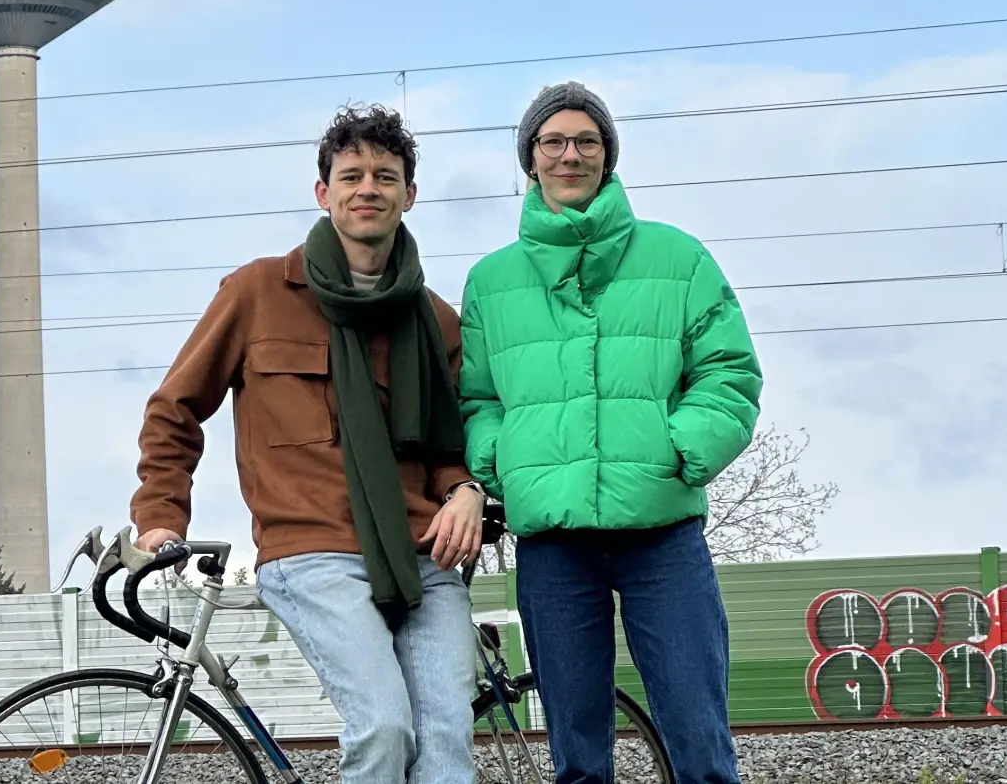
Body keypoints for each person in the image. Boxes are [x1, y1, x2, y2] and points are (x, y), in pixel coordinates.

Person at [131, 104, 485, 784]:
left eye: (385, 176)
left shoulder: (435, 321)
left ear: (410, 194)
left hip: (423, 555)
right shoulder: (258, 292)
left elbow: (451, 448)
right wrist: (161, 514)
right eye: (351, 176)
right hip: (311, 550)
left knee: (445, 741)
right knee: (383, 727)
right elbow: (175, 407)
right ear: (324, 193)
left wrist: (466, 490)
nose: (368, 189)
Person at [458, 81, 762, 784]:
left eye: (586, 140)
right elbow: (477, 399)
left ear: (608, 154)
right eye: (553, 141)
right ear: (530, 158)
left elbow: (729, 374)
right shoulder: (490, 283)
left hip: (662, 534)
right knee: (578, 756)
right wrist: (504, 463)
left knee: (700, 742)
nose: (570, 154)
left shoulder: (678, 259)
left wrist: (679, 450)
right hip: (553, 543)